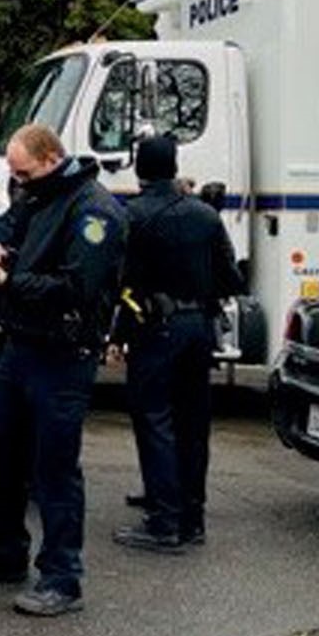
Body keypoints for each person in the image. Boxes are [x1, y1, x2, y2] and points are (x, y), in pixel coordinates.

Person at [0, 123, 126, 617]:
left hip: (63, 353)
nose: (17, 181)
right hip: (18, 344)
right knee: (1, 454)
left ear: (51, 159)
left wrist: (9, 277)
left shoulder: (94, 213)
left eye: (23, 171)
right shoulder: (36, 195)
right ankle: (5, 552)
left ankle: (61, 577)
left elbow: (76, 289)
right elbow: (7, 224)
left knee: (54, 466)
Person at [112, 135, 243, 552]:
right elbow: (231, 279)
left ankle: (163, 521)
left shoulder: (133, 216)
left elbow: (122, 281)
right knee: (193, 424)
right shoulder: (205, 215)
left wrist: (118, 334)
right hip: (199, 329)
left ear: (140, 170)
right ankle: (193, 518)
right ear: (173, 166)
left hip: (156, 328)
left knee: (154, 420)